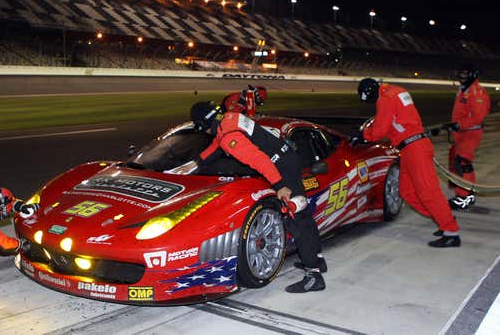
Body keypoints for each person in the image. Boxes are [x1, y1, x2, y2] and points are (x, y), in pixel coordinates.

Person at [188, 101, 326, 293]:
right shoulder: (229, 119)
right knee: (303, 216)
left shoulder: (228, 137)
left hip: (280, 168)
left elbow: (260, 160)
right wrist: (197, 163)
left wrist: (279, 185)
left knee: (297, 219)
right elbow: (216, 145)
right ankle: (317, 259)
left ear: (202, 125)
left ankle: (314, 275)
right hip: (287, 158)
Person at [352, 78, 460, 247]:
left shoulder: (385, 98)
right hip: (411, 147)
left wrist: (362, 134)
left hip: (414, 147)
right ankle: (444, 218)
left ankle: (451, 232)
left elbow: (380, 129)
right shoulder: (396, 91)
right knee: (406, 191)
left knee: (428, 192)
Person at [446, 66, 490, 211]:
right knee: (462, 163)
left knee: (462, 163)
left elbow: (478, 117)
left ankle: (463, 197)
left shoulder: (476, 92)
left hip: (471, 132)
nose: (461, 77)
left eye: (465, 74)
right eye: (460, 73)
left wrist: (460, 124)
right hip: (462, 132)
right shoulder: (465, 89)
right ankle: (468, 194)